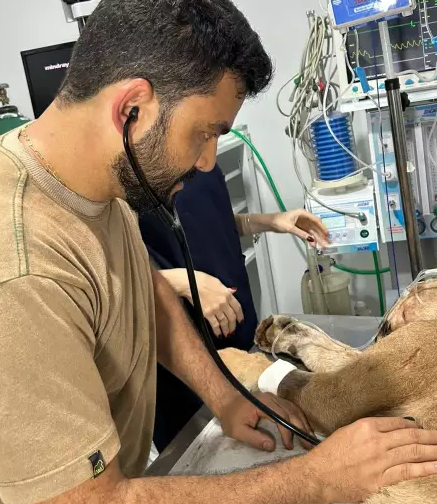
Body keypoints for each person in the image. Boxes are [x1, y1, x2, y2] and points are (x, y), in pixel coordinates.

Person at [0, 0, 437, 504]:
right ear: (131, 107)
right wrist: (316, 478)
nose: (205, 163)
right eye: (205, 133)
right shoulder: (10, 267)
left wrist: (224, 397)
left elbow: (139, 283)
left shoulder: (88, 185)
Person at [139, 164, 330, 451]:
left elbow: (206, 222)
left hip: (237, 329)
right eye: (207, 133)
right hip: (183, 359)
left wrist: (271, 221)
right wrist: (182, 282)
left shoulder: (201, 155)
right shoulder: (128, 166)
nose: (208, 157)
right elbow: (108, 277)